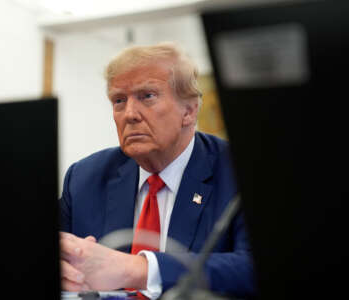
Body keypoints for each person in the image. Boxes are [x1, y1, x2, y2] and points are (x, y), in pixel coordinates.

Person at [59, 42, 255, 299]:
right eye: (119, 100)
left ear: (189, 110)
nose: (129, 114)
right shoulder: (85, 177)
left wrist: (137, 269)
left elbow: (252, 269)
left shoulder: (237, 170)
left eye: (147, 96)